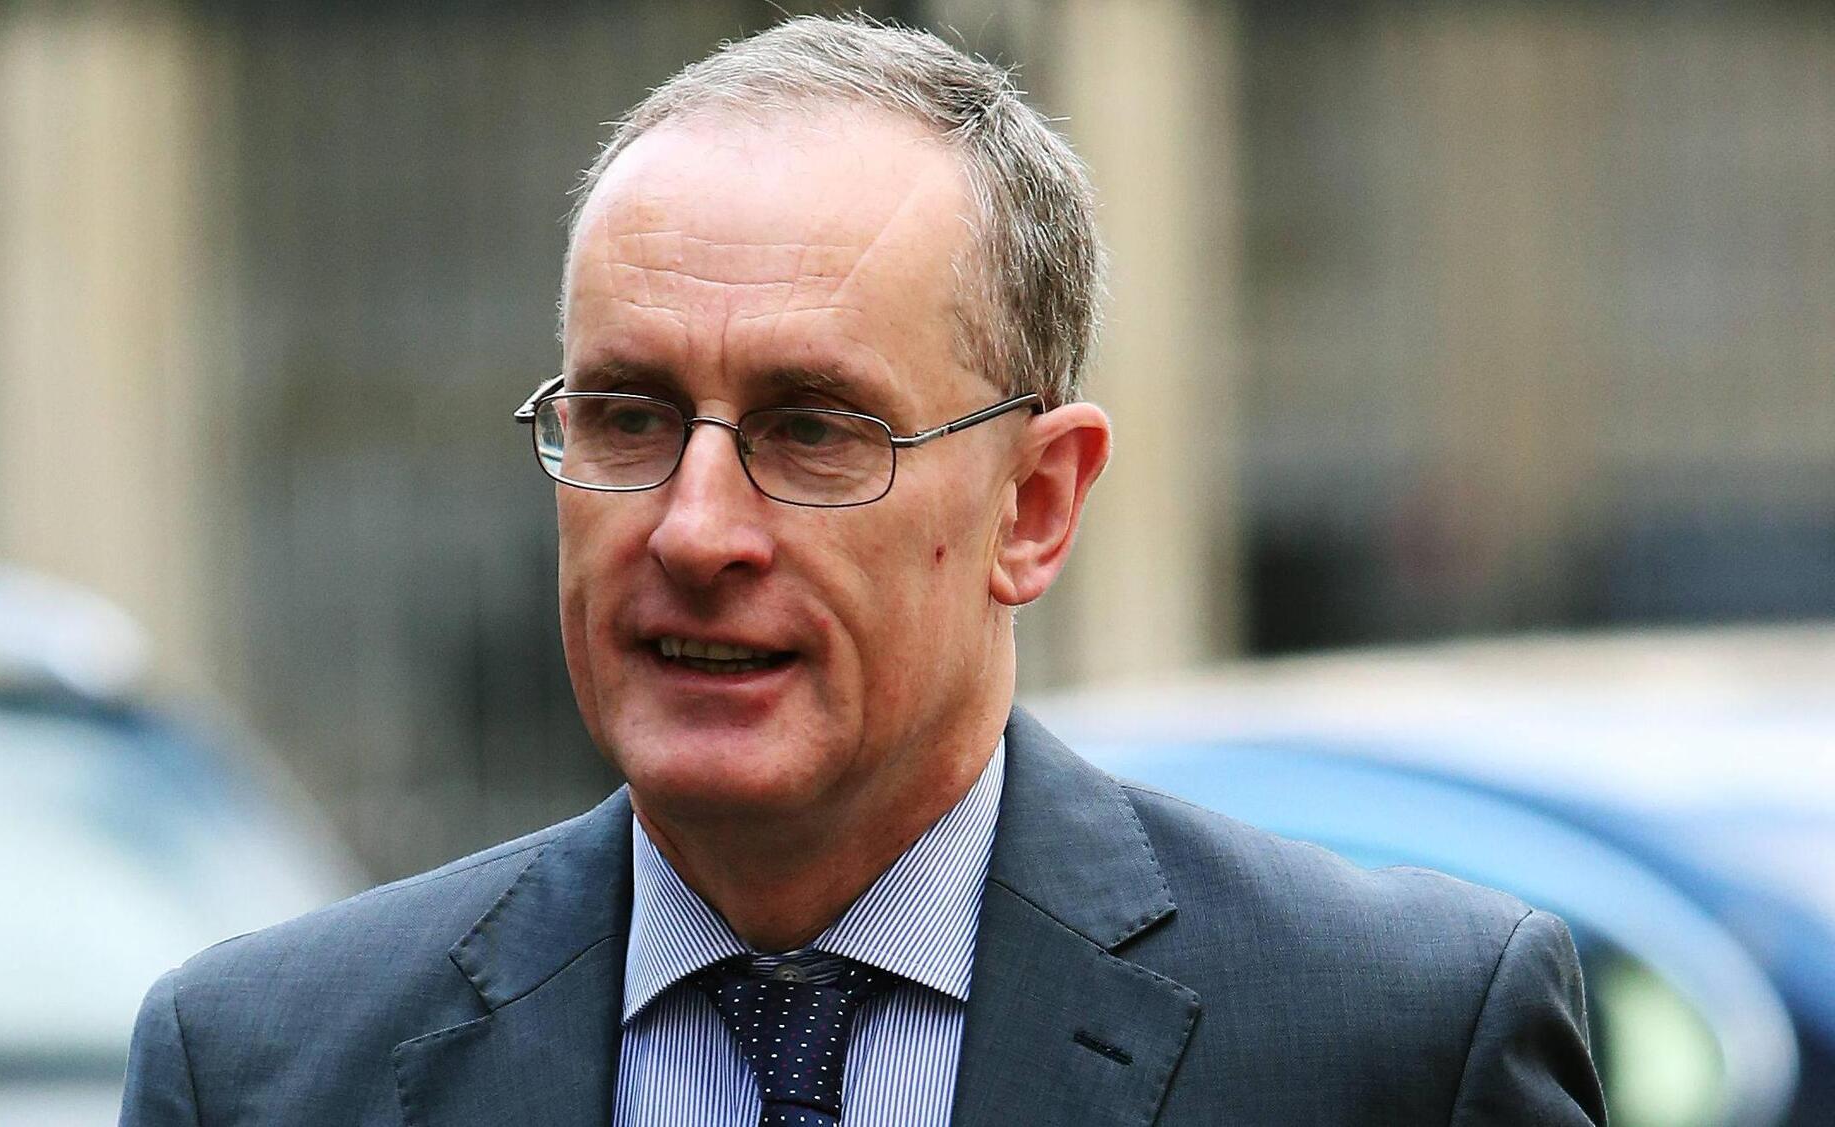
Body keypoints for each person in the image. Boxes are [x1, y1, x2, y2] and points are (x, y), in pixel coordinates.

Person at [121, 15, 1605, 1126]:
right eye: (629, 416)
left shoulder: (1392, 1045)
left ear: (1035, 506)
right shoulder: (265, 1072)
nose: (695, 530)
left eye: (814, 430)